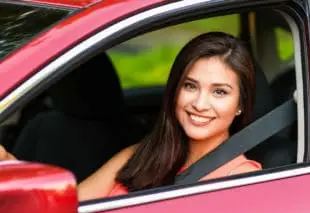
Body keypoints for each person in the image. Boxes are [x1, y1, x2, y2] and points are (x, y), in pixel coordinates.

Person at [0, 32, 261, 201]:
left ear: (240, 104)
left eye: (219, 92)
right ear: (174, 90)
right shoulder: (140, 155)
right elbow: (69, 207)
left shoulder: (242, 181)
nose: (200, 104)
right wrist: (8, 162)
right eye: (190, 86)